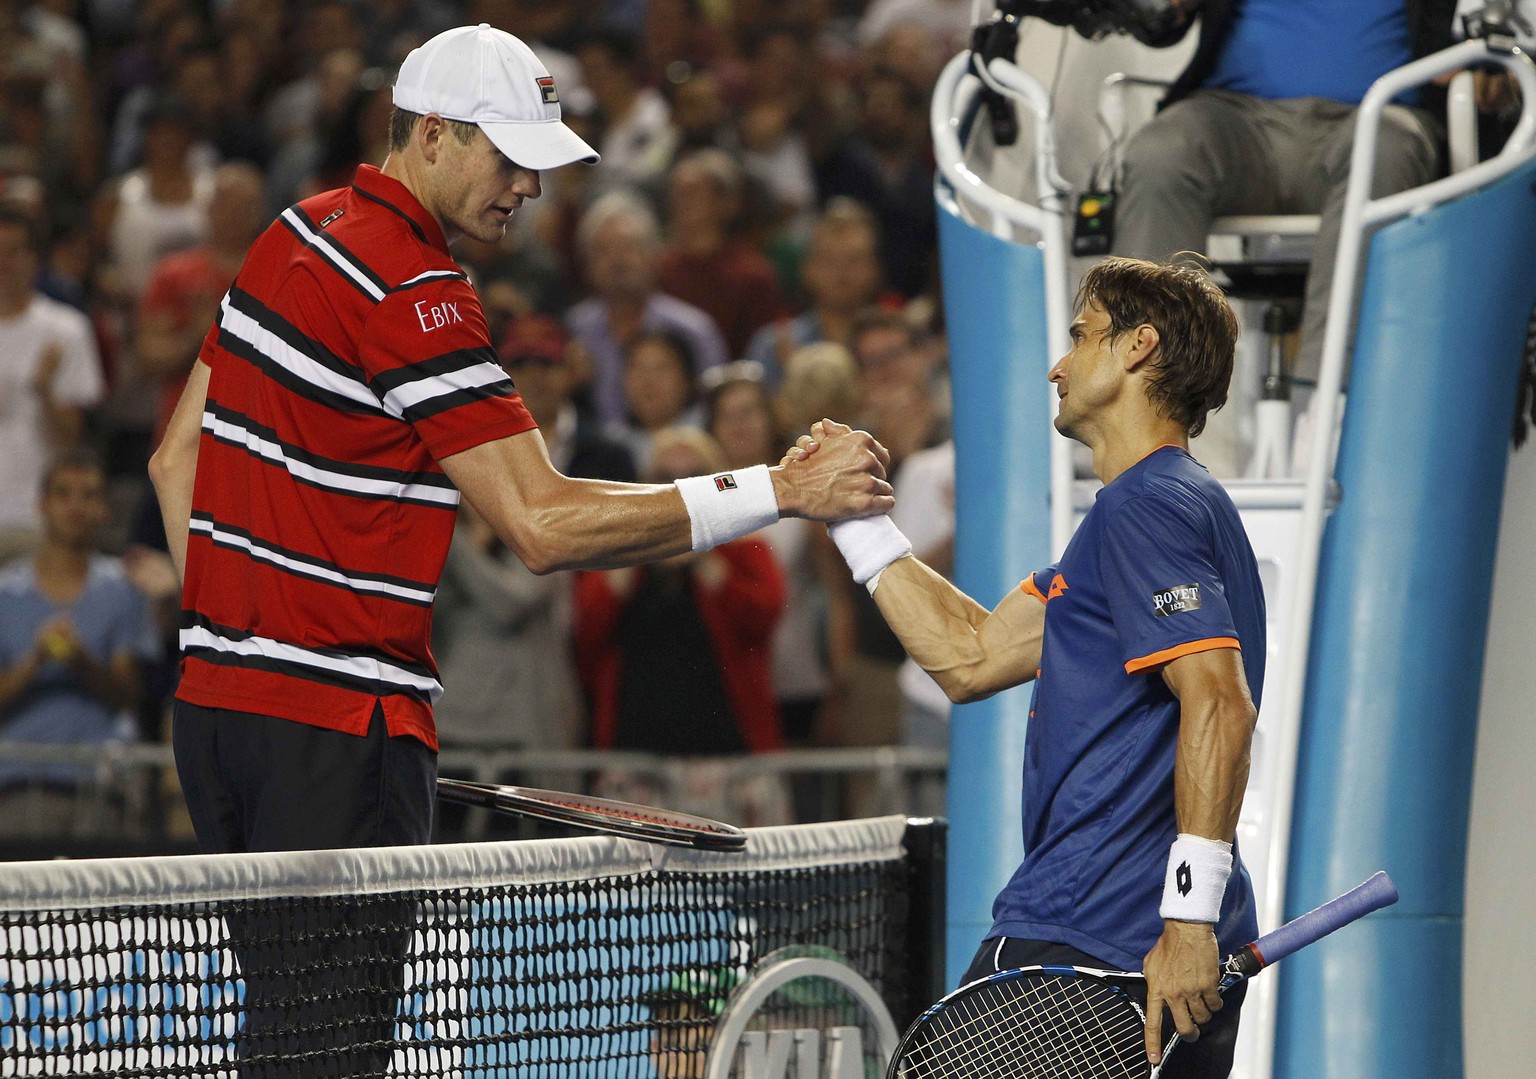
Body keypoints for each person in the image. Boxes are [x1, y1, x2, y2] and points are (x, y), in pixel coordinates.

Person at [148, 24, 889, 1077]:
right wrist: (778, 487)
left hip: (218, 713)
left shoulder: (293, 233)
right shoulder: (417, 288)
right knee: (326, 1057)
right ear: (436, 135)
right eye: (510, 160)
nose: (529, 190)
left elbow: (175, 459)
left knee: (281, 1037)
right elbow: (542, 522)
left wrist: (247, 640)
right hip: (341, 724)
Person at [800, 257, 1264, 1076]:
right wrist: (853, 519)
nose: (1058, 364)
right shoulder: (1165, 513)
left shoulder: (1143, 507)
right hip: (1152, 946)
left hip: (1094, 937)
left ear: (1137, 349)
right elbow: (969, 656)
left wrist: (1186, 916)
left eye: (1081, 338)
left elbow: (1220, 703)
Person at [1115, 0, 1469, 388]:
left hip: (1375, 118)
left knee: (1382, 150)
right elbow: (1158, 23)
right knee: (1161, 153)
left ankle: (1330, 405)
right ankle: (1145, 396)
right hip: (1239, 121)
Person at [0, 450, 157, 837]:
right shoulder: (4, 594)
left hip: (103, 787)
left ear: (104, 508)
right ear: (42, 504)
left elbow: (128, 693)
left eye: (89, 495)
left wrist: (81, 660)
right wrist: (34, 661)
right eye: (63, 493)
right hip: (18, 785)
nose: (75, 506)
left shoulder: (124, 590)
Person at [565, 190, 729, 426]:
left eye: (627, 247)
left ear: (654, 255)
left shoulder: (694, 330)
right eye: (603, 250)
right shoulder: (575, 328)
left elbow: (715, 411)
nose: (617, 261)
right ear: (587, 265)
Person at [0, 206, 105, 564]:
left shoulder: (66, 330)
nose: (5, 263)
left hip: (35, 517)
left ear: (34, 259)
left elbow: (71, 440)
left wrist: (44, 390)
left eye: (14, 251)